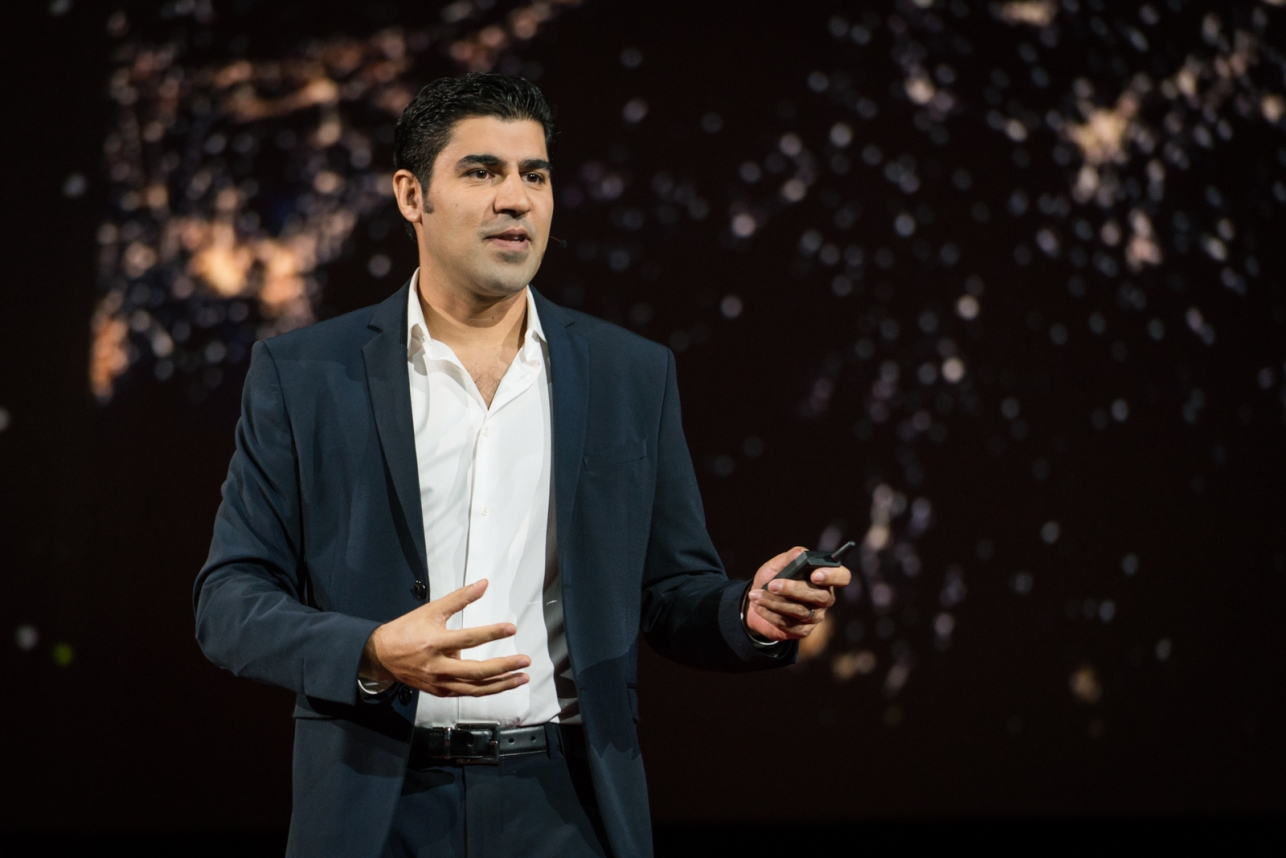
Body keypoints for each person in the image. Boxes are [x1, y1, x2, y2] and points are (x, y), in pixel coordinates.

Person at [194, 73, 851, 858]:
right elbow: (228, 600)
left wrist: (746, 612)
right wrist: (369, 653)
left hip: (567, 806)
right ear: (412, 196)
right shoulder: (303, 374)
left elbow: (671, 590)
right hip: (378, 809)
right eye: (482, 172)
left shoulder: (627, 373)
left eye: (533, 175)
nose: (517, 199)